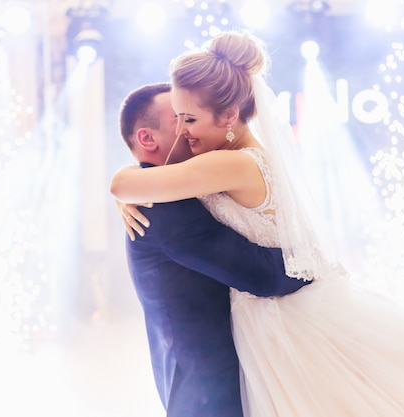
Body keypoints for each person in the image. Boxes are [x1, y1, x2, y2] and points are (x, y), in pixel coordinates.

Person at [111, 32, 404, 417]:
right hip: (280, 312)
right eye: (177, 117)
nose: (185, 130)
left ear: (230, 115)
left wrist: (126, 185)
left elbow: (125, 185)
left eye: (188, 117)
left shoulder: (230, 166)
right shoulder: (242, 157)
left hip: (280, 317)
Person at [116, 82, 308, 417]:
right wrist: (315, 262)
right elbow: (263, 276)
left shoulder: (163, 191)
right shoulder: (162, 207)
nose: (189, 129)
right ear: (148, 138)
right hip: (209, 395)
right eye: (179, 117)